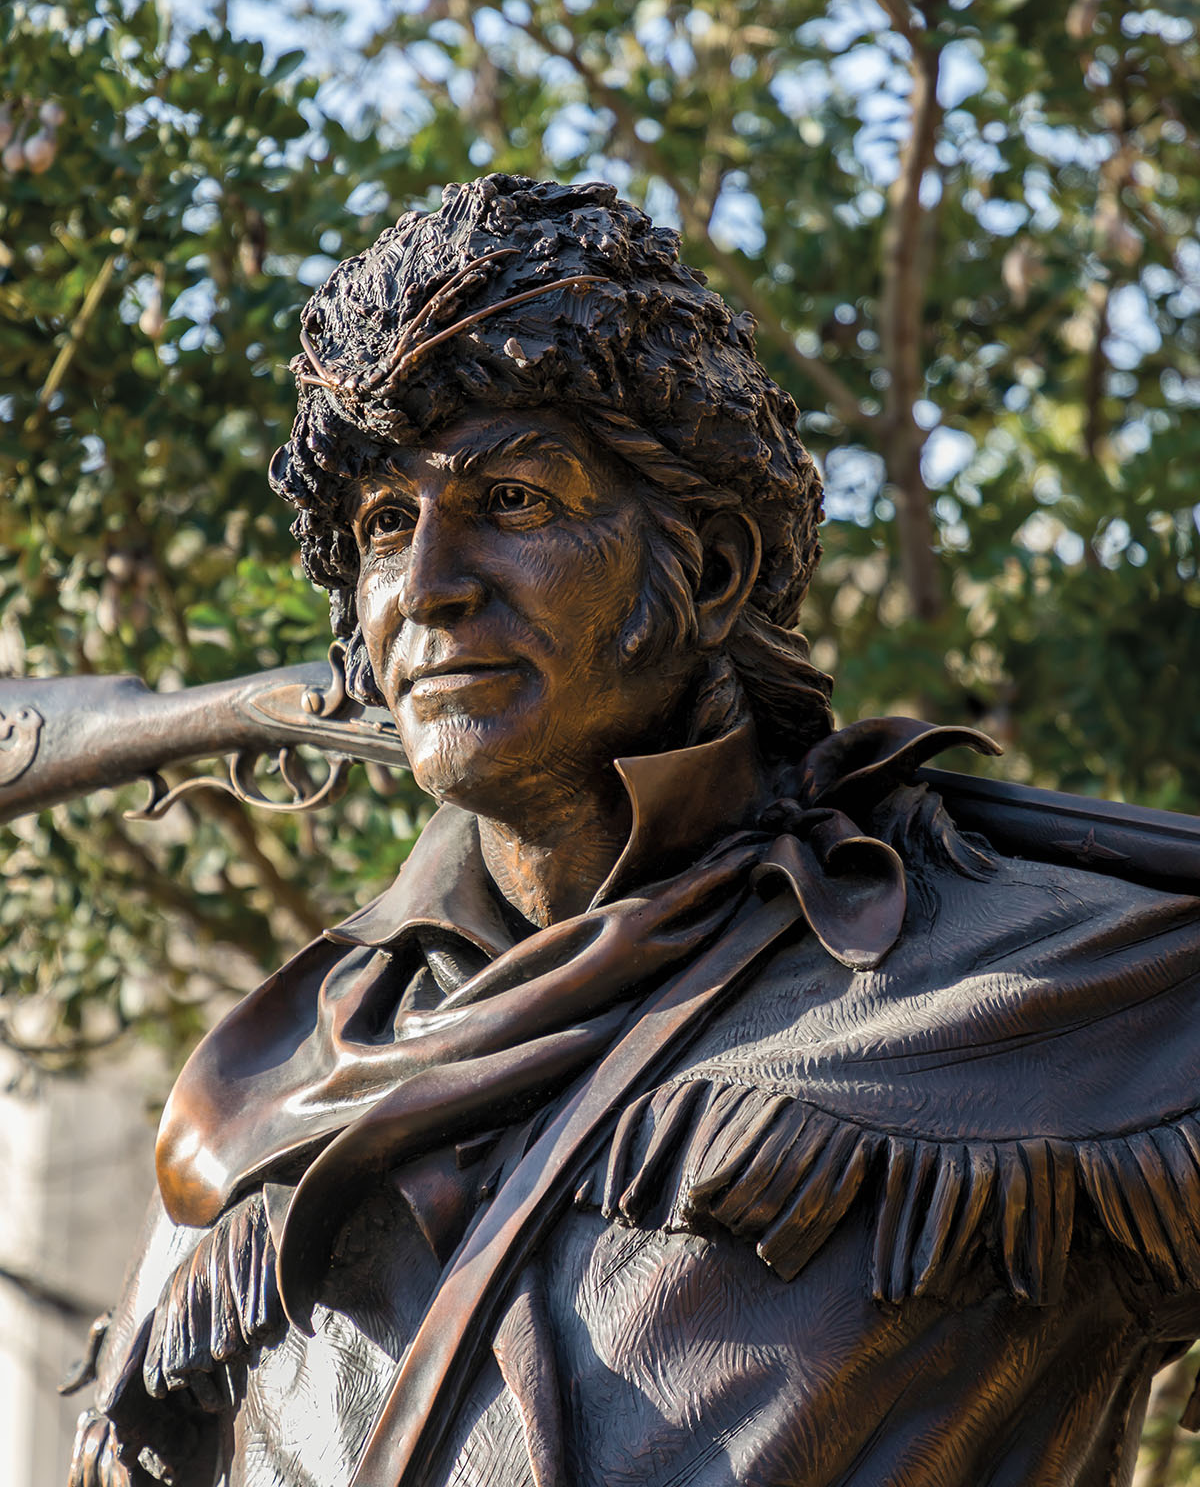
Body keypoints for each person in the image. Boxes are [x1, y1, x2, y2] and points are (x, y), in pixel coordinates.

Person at [70, 176, 1200, 1487]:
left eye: (513, 504)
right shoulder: (260, 1098)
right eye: (387, 526)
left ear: (709, 572)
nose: (428, 586)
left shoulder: (1061, 985)